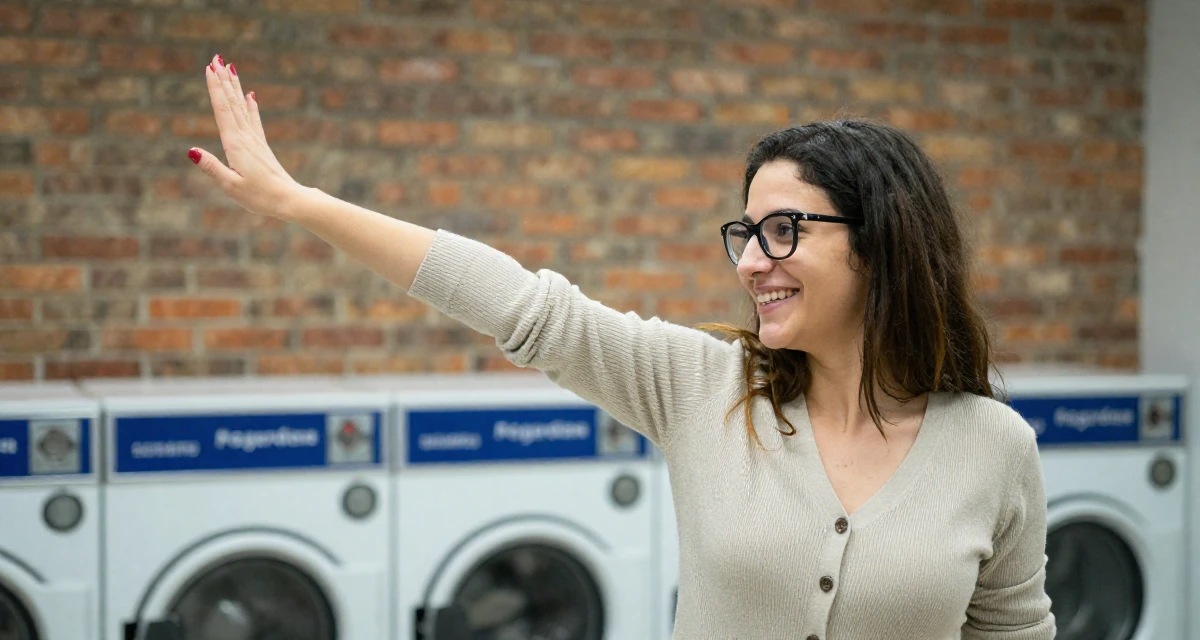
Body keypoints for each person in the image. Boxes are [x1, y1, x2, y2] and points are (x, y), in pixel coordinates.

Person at [190, 54, 1054, 639]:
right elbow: (520, 304)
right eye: (745, 233)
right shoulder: (705, 388)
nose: (751, 262)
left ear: (882, 240)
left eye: (784, 230)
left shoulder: (993, 447)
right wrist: (299, 203)